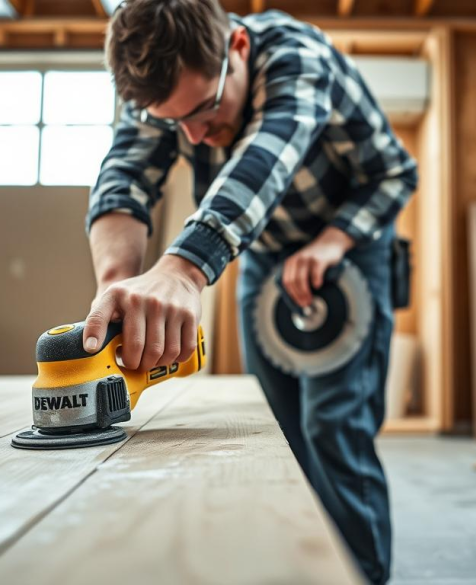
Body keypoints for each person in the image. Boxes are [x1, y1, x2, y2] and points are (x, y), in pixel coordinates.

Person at [83, 1, 417, 582]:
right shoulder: (170, 90)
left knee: (333, 427)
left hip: (349, 240)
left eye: (205, 110)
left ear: (237, 48)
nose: (193, 136)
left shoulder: (298, 57)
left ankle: (360, 574)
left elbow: (270, 157)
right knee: (277, 428)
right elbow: (125, 177)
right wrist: (118, 289)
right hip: (262, 246)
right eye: (173, 121)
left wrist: (185, 270)